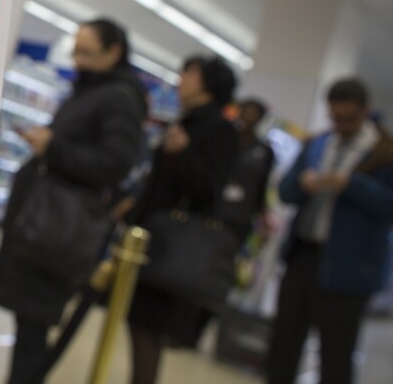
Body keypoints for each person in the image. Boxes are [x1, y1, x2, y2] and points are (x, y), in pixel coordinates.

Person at [0, 18, 147, 384]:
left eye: (87, 52)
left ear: (114, 52)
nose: (78, 60)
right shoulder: (94, 90)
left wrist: (53, 146)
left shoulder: (119, 99)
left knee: (33, 331)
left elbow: (114, 165)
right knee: (28, 327)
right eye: (76, 51)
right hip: (45, 227)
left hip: (58, 233)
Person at [265, 78, 393, 384]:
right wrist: (302, 184)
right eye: (335, 118)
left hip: (351, 268)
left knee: (335, 356)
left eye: (348, 119)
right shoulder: (318, 144)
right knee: (283, 347)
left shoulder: (384, 153)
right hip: (304, 256)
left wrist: (352, 185)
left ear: (365, 113)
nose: (341, 125)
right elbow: (285, 191)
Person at [126, 55, 239, 384]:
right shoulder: (186, 122)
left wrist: (183, 152)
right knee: (139, 327)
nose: (181, 79)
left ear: (208, 83)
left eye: (189, 73)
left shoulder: (219, 131)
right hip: (151, 240)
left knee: (147, 329)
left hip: (173, 248)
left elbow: (210, 192)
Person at [221, 98, 276, 243]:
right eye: (245, 112)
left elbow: (262, 186)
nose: (248, 117)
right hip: (216, 208)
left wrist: (263, 218)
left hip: (242, 215)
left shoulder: (264, 151)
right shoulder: (224, 141)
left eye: (253, 114)